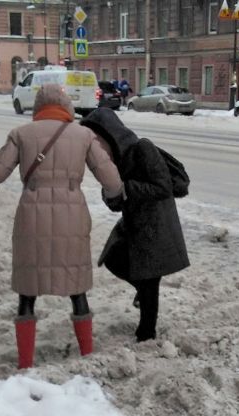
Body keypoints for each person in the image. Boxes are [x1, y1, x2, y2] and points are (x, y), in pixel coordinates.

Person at [0, 84, 124, 368]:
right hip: (72, 215)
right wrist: (117, 192)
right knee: (77, 288)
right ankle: (87, 353)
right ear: (67, 106)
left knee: (28, 290)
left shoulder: (21, 134)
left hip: (32, 215)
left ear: (38, 107)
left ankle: (25, 362)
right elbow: (109, 176)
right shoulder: (83, 135)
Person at [81, 107, 190, 342]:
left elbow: (163, 188)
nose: (95, 148)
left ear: (109, 134)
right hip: (134, 225)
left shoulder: (143, 148)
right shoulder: (113, 161)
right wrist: (112, 195)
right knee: (113, 258)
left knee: (150, 280)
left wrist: (126, 188)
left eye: (97, 141)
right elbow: (117, 202)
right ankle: (143, 297)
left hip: (156, 225)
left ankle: (146, 335)